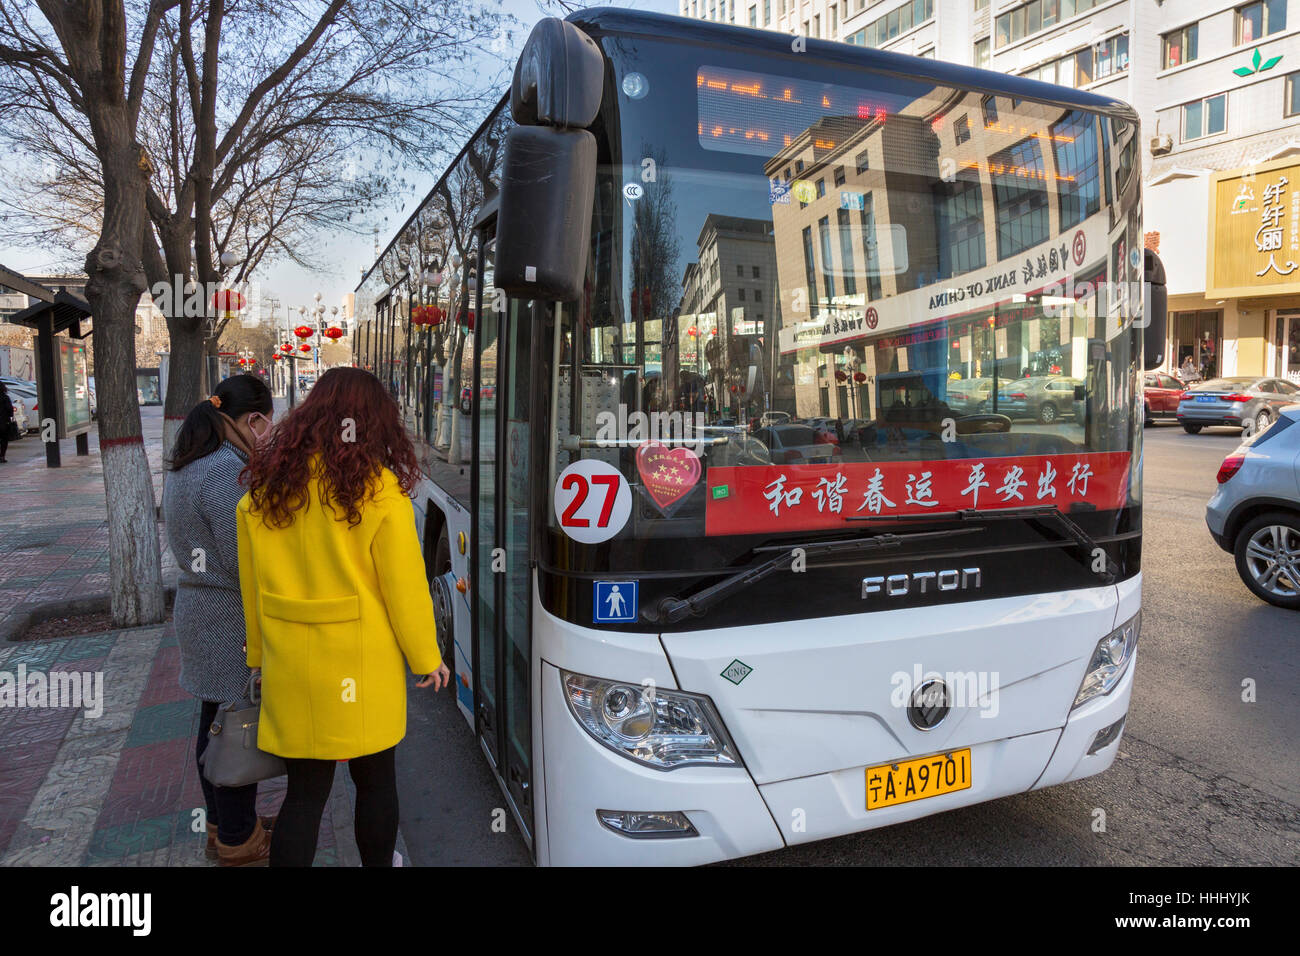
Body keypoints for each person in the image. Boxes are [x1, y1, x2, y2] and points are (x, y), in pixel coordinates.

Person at [237, 367, 448, 867]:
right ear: (375, 423)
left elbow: (254, 591)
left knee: (305, 796)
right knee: (376, 781)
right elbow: (406, 590)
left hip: (293, 667)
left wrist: (258, 657)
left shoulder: (264, 492)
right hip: (361, 668)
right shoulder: (380, 493)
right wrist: (426, 658)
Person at [162, 374, 276, 866]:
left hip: (199, 608)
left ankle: (223, 825)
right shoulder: (225, 472)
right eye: (266, 424)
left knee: (215, 724)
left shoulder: (190, 464)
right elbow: (242, 557)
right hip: (228, 615)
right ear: (250, 420)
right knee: (235, 729)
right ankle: (236, 838)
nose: (268, 434)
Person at [0, 381, 13, 463]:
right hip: (3, 422)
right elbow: (9, 409)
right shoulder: (5, 398)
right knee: (4, 440)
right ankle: (2, 456)